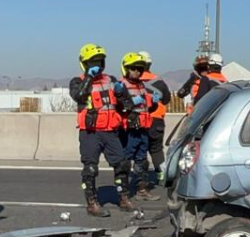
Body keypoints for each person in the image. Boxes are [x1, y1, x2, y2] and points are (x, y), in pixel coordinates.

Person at [69, 43, 134, 218]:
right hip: (90, 132)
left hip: (110, 131)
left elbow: (127, 105)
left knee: (122, 164)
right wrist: (89, 79)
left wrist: (122, 94)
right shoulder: (77, 81)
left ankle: (123, 198)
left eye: (99, 61)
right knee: (90, 168)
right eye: (92, 62)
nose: (96, 65)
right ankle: (92, 204)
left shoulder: (111, 80)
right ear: (84, 63)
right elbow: (79, 96)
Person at [119, 52, 160, 204]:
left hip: (143, 128)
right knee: (125, 160)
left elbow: (147, 107)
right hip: (129, 130)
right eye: (133, 68)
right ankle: (123, 192)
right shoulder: (121, 86)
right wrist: (128, 103)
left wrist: (154, 102)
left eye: (139, 69)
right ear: (126, 69)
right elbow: (118, 106)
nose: (137, 71)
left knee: (142, 160)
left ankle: (142, 190)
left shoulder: (141, 85)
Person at [137, 51, 172, 185]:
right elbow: (167, 99)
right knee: (156, 149)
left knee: (140, 150)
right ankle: (161, 176)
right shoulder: (159, 81)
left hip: (140, 120)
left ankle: (142, 179)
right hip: (157, 121)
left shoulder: (133, 81)